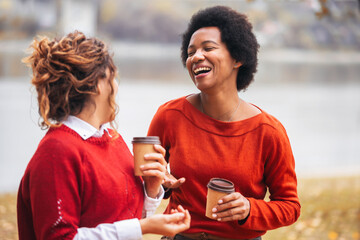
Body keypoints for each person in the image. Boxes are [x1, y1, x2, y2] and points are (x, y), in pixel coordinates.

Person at [17, 31, 190, 240]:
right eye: (113, 77)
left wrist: (151, 189)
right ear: (99, 84)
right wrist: (142, 227)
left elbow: (126, 218)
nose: (116, 86)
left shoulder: (111, 138)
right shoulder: (57, 151)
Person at [147, 6, 300, 240]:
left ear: (237, 58)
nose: (196, 57)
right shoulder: (169, 115)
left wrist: (250, 209)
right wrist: (160, 183)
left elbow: (290, 206)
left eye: (208, 48)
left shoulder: (268, 131)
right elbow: (143, 181)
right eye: (191, 52)